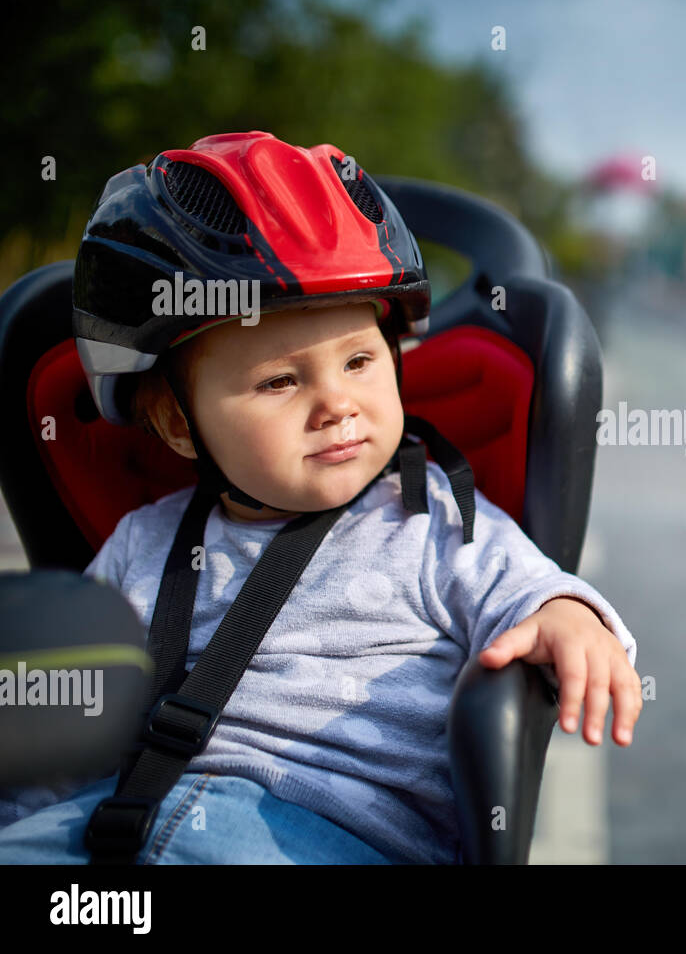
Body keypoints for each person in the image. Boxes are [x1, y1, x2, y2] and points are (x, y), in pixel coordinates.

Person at [0, 131, 640, 864]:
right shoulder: (141, 544)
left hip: (325, 835)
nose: (339, 403)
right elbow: (66, 719)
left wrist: (570, 619)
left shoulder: (435, 523)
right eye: (281, 381)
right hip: (100, 825)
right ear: (178, 423)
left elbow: (529, 592)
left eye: (361, 361)